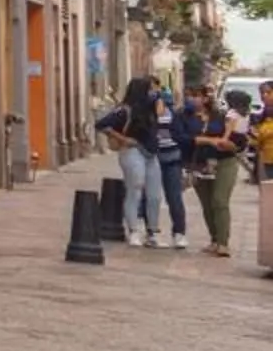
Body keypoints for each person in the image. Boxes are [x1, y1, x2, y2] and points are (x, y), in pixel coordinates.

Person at [97, 76, 174, 247]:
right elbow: (102, 124)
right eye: (150, 89)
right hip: (132, 151)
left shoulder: (152, 108)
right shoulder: (125, 110)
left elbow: (162, 112)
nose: (154, 92)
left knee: (155, 195)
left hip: (151, 153)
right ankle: (133, 230)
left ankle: (153, 232)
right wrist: (123, 139)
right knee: (135, 189)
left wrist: (158, 98)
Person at [185, 83, 243, 257]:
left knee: (219, 200)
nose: (193, 99)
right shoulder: (185, 117)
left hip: (225, 162)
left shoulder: (222, 116)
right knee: (207, 203)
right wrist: (205, 141)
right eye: (190, 95)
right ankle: (214, 239)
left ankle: (223, 243)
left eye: (197, 95)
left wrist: (230, 145)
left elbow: (240, 141)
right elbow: (183, 138)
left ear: (205, 98)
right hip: (200, 163)